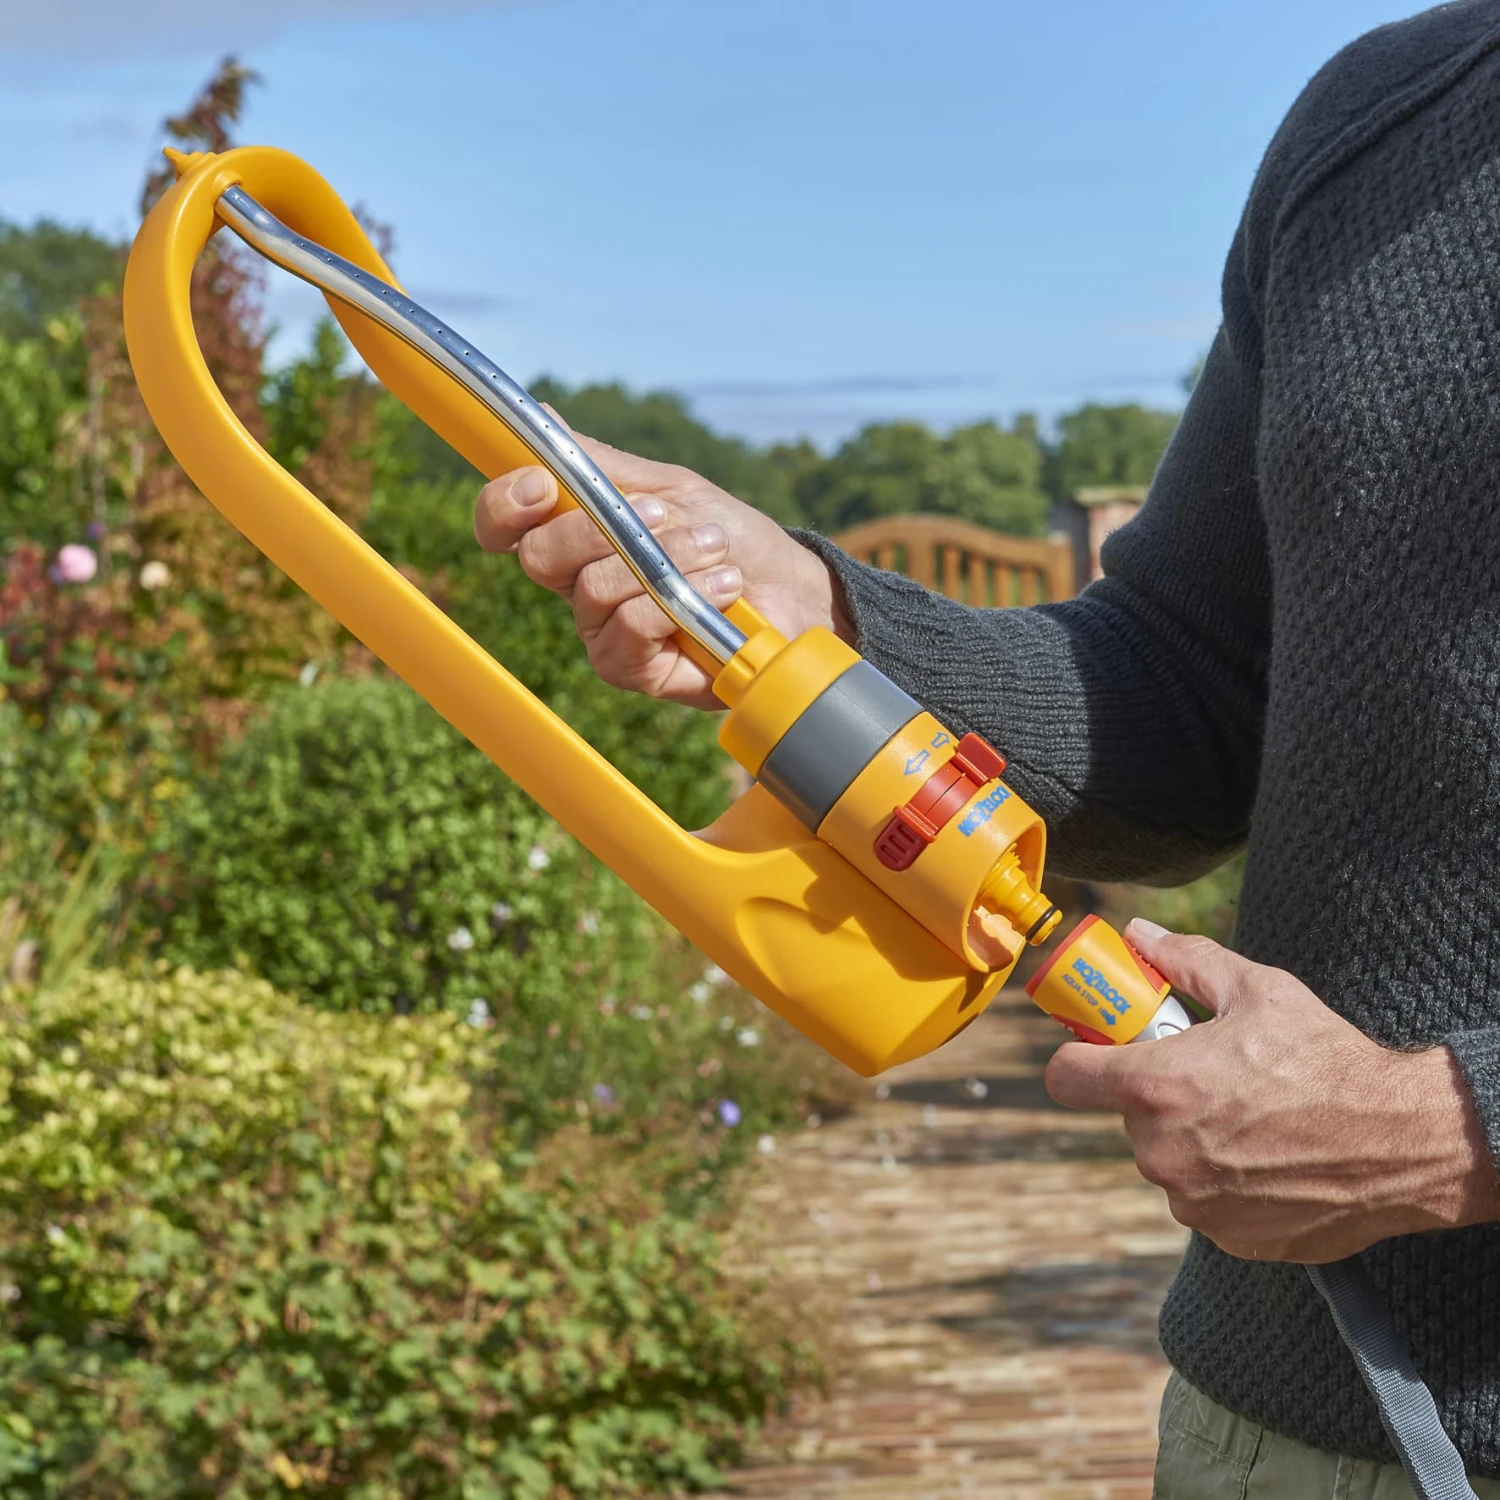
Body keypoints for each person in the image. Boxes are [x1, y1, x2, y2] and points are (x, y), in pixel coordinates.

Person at [472, 4, 1500, 1493]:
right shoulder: (1376, 127)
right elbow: (1187, 692)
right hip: (1281, 1425)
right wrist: (823, 615)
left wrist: (1447, 1127)